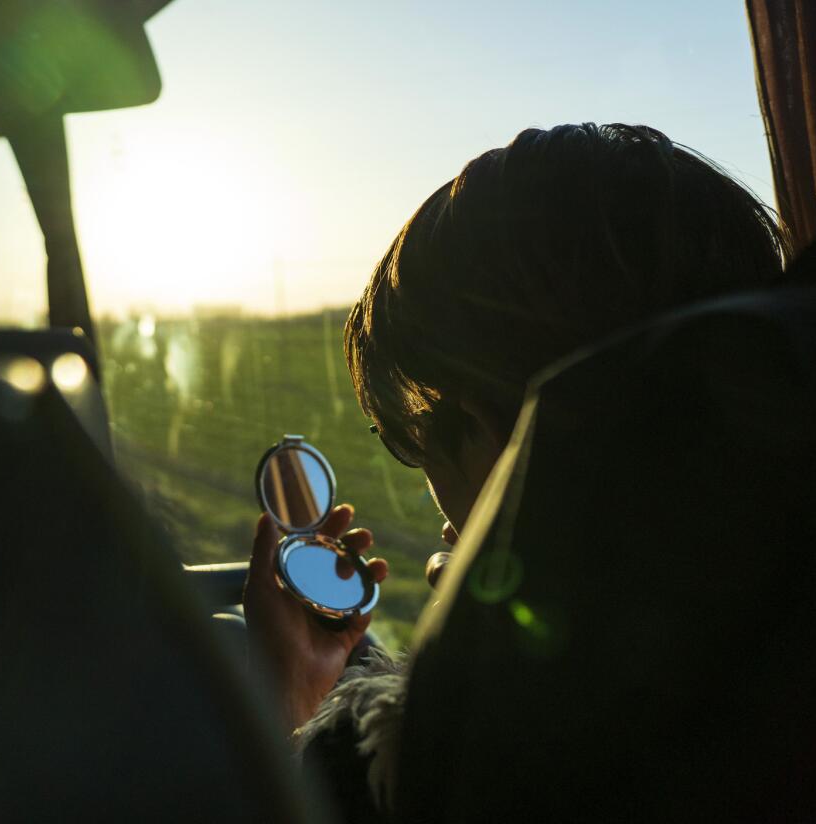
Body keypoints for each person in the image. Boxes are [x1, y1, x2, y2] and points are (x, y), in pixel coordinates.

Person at [243, 122, 788, 817]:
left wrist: (294, 706)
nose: (440, 502)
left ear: (487, 422)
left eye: (419, 435)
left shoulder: (410, 761)